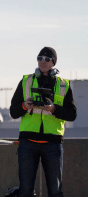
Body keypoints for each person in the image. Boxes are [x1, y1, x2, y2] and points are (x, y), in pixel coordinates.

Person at [10, 47, 77, 197]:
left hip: (53, 144)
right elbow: (13, 112)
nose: (42, 62)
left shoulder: (63, 85)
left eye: (47, 59)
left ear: (53, 62)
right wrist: (24, 106)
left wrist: (54, 109)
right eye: (39, 58)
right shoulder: (26, 81)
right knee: (25, 191)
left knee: (55, 191)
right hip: (28, 143)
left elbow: (72, 114)